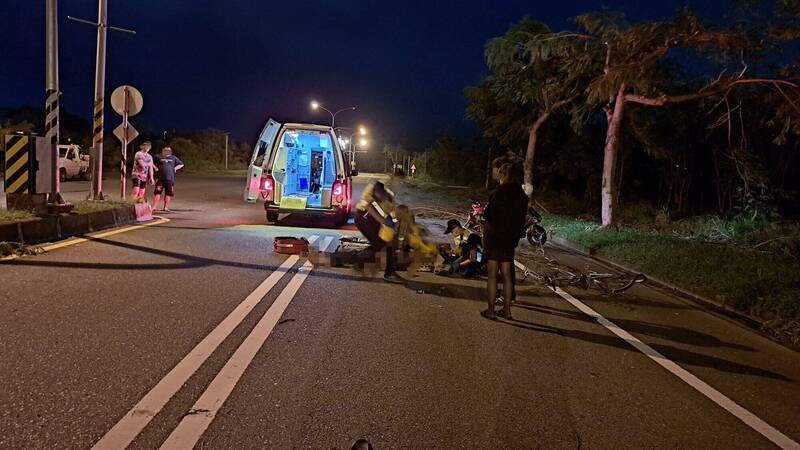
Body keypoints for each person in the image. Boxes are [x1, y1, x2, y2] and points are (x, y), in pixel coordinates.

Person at [482, 162, 528, 320]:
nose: (498, 175)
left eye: (500, 173)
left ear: (504, 175)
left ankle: (491, 310)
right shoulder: (522, 196)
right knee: (508, 275)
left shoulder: (498, 193)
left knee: (493, 275)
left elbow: (488, 215)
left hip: (494, 238)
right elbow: (522, 219)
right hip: (510, 239)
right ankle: (507, 310)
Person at [354, 180, 402, 282]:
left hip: (372, 218)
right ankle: (356, 259)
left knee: (387, 243)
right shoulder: (375, 187)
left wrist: (394, 225)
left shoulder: (389, 194)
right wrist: (382, 221)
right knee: (379, 245)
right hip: (364, 217)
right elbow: (366, 205)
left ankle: (389, 272)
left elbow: (392, 211)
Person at [152, 147, 184, 212]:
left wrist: (175, 168)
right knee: (157, 192)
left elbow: (181, 164)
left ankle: (165, 207)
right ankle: (154, 207)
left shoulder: (173, 158)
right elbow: (150, 162)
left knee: (168, 193)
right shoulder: (158, 157)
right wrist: (155, 168)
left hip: (170, 178)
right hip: (160, 178)